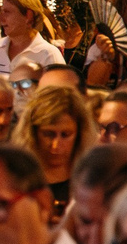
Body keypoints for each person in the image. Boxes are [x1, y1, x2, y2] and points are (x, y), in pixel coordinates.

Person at [12, 84, 95, 218]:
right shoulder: (14, 175)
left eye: (65, 135)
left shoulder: (91, 178)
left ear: (79, 134)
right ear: (32, 133)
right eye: (48, 134)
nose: (56, 145)